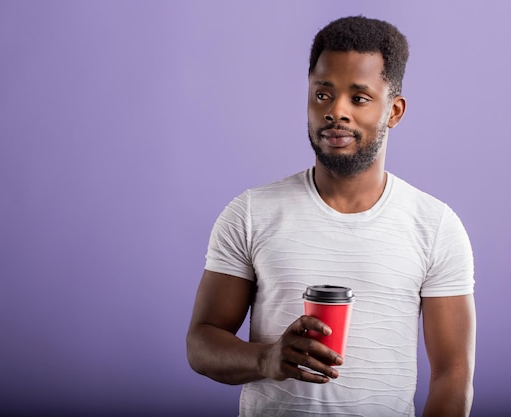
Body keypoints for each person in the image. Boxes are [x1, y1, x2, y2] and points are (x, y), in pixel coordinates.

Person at [186, 15, 476, 417]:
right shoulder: (251, 213)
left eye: (358, 98)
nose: (335, 111)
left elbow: (452, 373)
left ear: (394, 111)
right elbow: (202, 343)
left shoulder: (435, 225)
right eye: (322, 94)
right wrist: (266, 359)